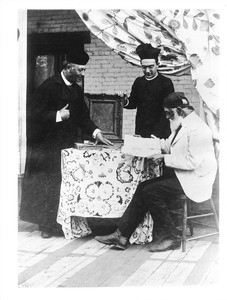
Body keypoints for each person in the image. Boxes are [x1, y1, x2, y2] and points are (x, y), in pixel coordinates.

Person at [95, 92, 217, 252]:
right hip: (184, 176)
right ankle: (122, 235)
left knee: (151, 191)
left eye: (169, 113)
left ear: (180, 110)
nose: (166, 117)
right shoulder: (182, 123)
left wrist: (163, 158)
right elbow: (168, 145)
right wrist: (142, 144)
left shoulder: (198, 129)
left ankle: (172, 237)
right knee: (143, 187)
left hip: (196, 180)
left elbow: (192, 162)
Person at [20, 50, 113, 238]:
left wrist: (97, 132)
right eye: (80, 69)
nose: (82, 73)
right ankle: (46, 226)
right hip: (46, 145)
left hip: (66, 145)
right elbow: (31, 115)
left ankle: (60, 223)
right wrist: (57, 116)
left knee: (63, 184)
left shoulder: (77, 90)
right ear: (69, 67)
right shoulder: (49, 86)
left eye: (83, 69)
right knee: (48, 184)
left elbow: (83, 118)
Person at [123, 43, 174, 138]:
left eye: (151, 67)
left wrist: (156, 134)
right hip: (141, 131)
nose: (147, 71)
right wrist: (124, 101)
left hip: (160, 133)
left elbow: (168, 111)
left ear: (157, 65)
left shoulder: (166, 83)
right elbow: (133, 103)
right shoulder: (138, 82)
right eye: (144, 67)